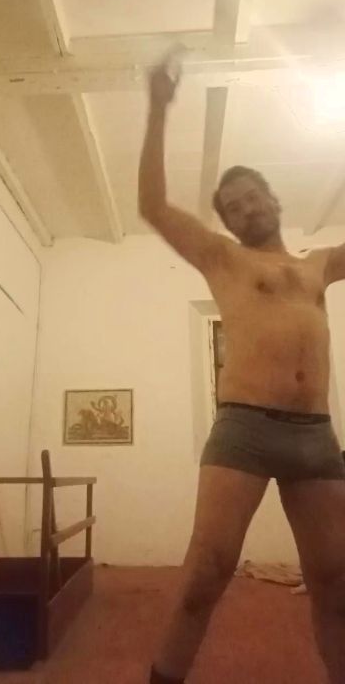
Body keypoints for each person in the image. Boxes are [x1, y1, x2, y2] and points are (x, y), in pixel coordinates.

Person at [138, 60, 345, 684]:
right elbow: (152, 205)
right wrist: (158, 106)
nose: (246, 208)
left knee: (335, 581)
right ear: (227, 223)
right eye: (233, 207)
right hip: (244, 430)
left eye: (252, 196)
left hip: (317, 438)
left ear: (274, 200)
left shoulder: (318, 264)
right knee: (205, 574)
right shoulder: (223, 259)